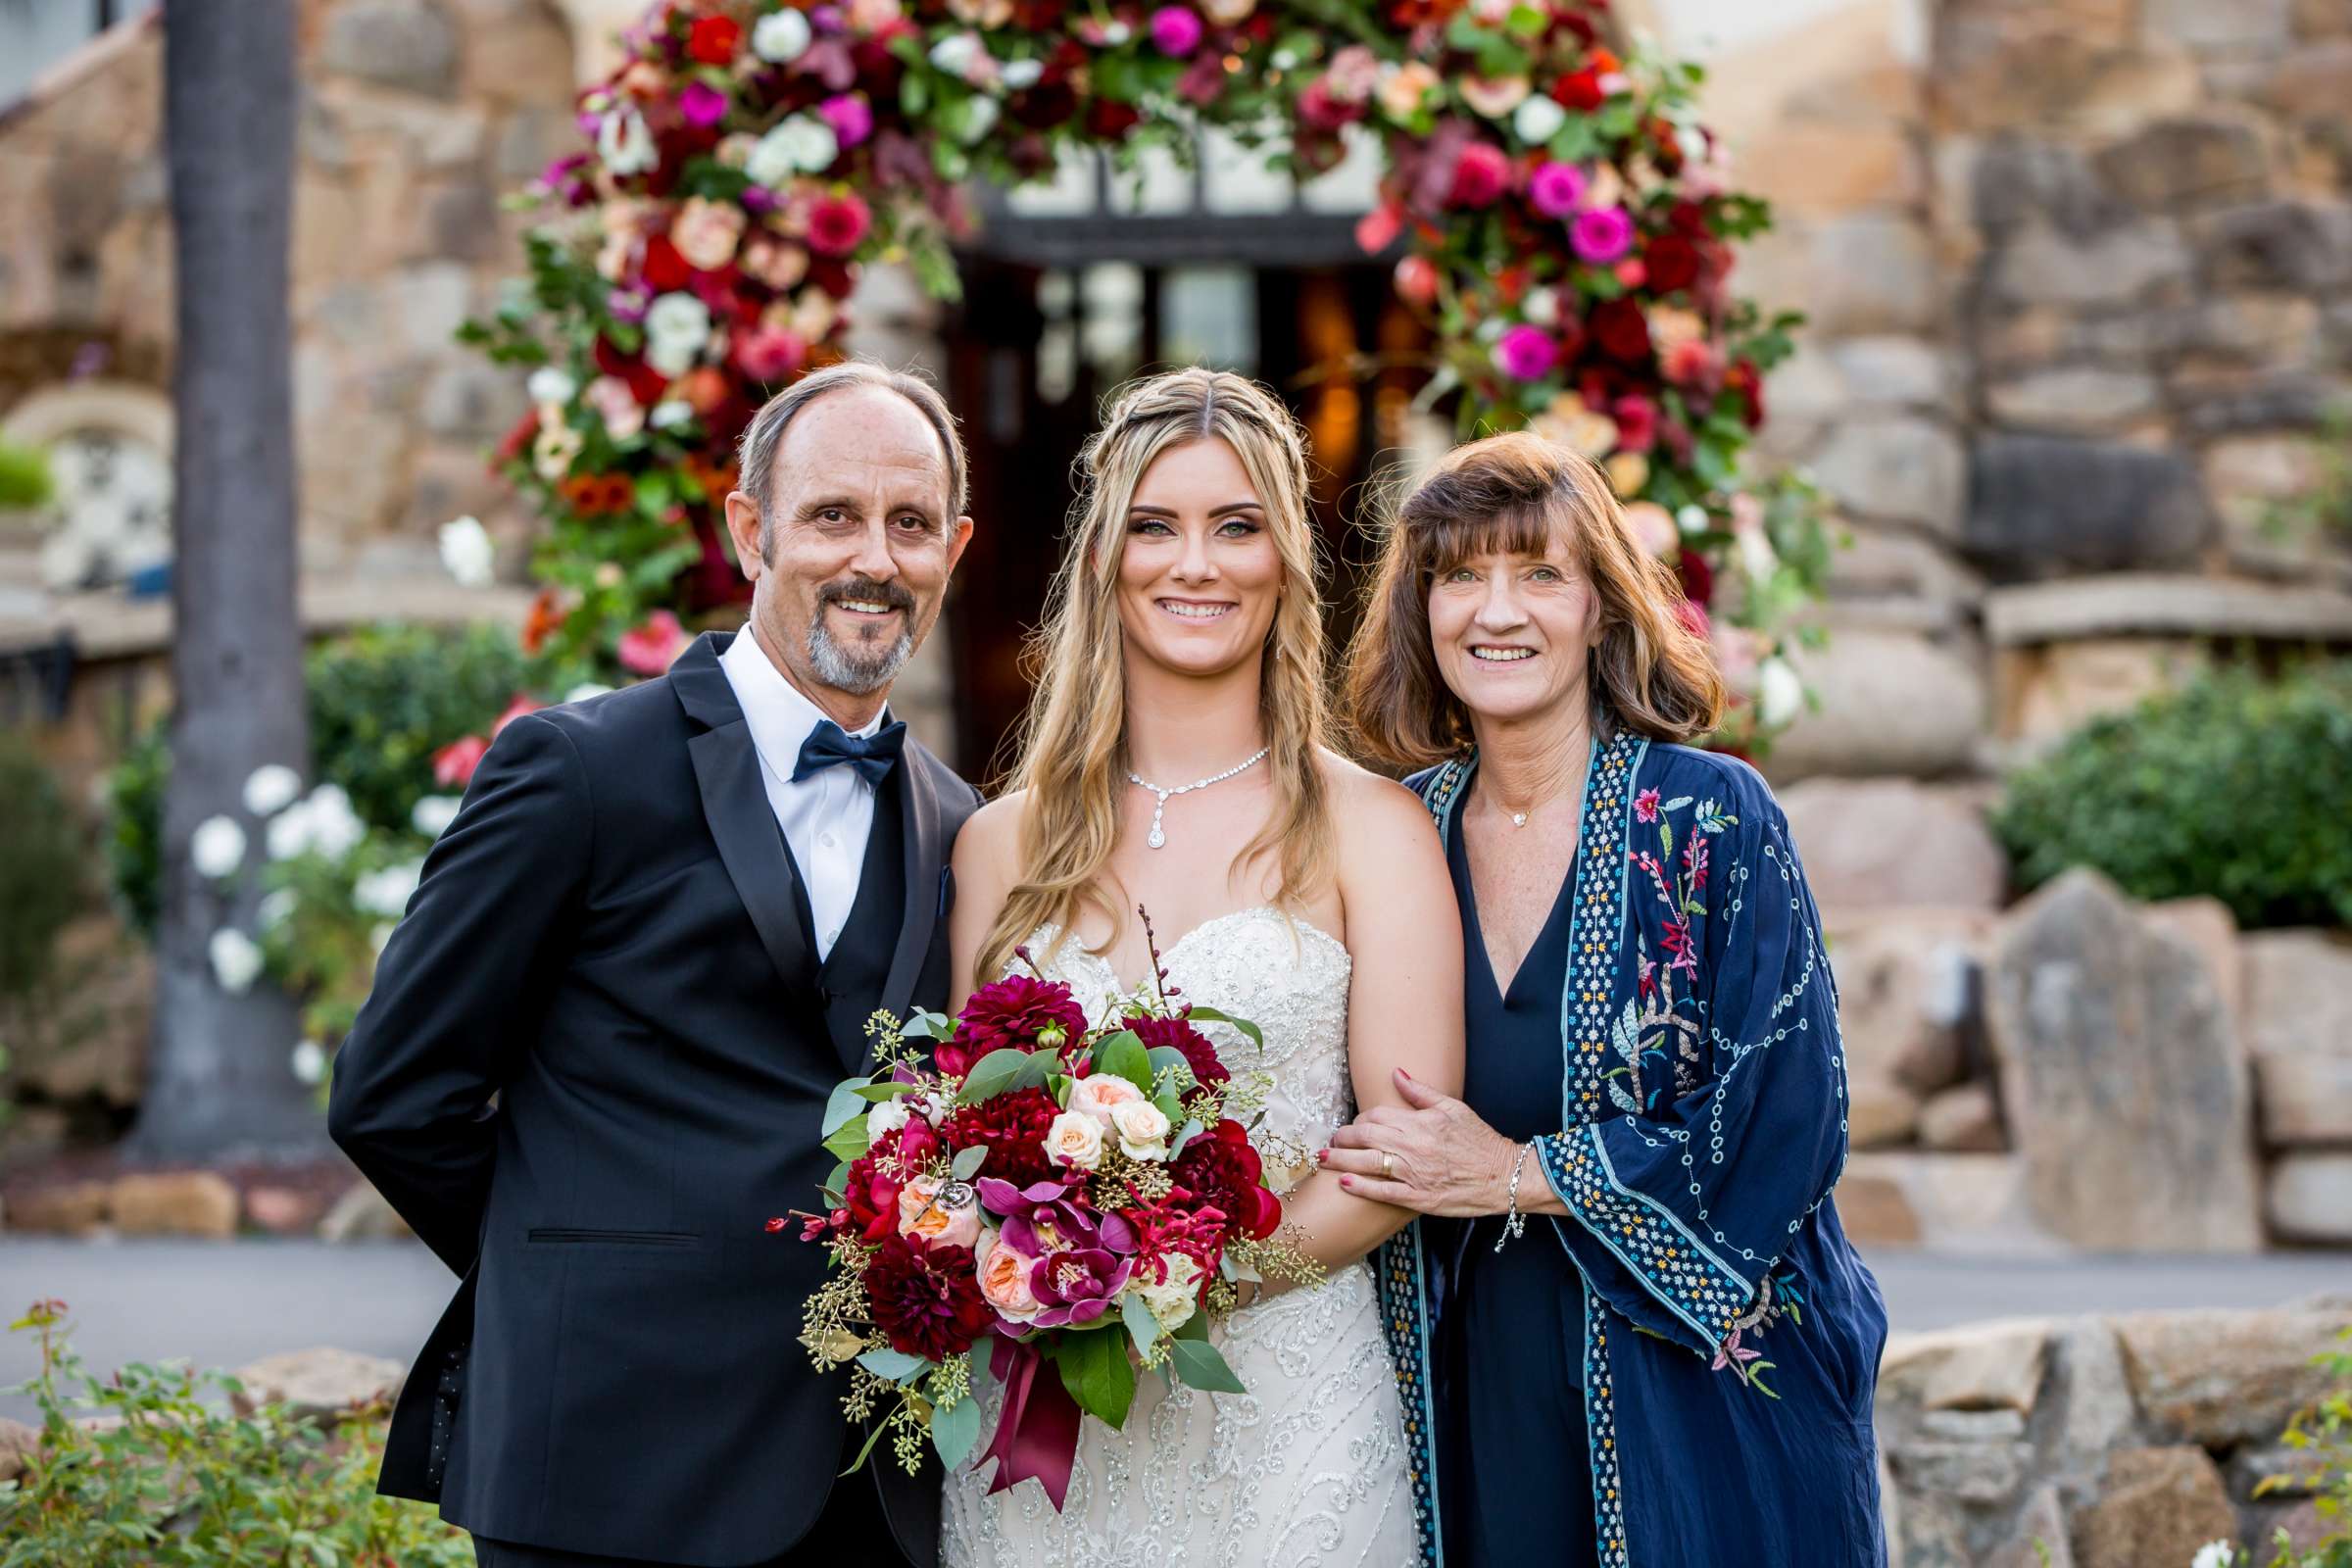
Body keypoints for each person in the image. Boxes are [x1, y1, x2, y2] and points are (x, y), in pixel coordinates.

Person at [328, 361, 980, 1568]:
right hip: (604, 1463)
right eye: (834, 515)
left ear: (956, 545)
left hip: (864, 1495)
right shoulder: (576, 770)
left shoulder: (961, 824)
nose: (875, 560)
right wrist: (579, 1254)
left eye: (910, 523)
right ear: (751, 529)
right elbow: (392, 1093)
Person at [1326, 430, 1888, 1568]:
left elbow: (1788, 1115)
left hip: (1702, 1398)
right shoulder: (1394, 831)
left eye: (1541, 573)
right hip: (1475, 1385)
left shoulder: (1711, 818)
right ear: (1420, 611)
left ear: (1599, 608)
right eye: (1460, 575)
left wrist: (1514, 1173)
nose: (1498, 610)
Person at [938, 367, 1464, 1566]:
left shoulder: (1372, 829)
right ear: (1104, 561)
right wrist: (1038, 1273)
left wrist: (1178, 1287)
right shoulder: (997, 844)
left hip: (1288, 1420)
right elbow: (956, 1134)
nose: (1198, 564)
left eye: (1238, 527)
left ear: (1284, 559)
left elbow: (1401, 1150)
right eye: (1156, 526)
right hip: (1048, 1438)